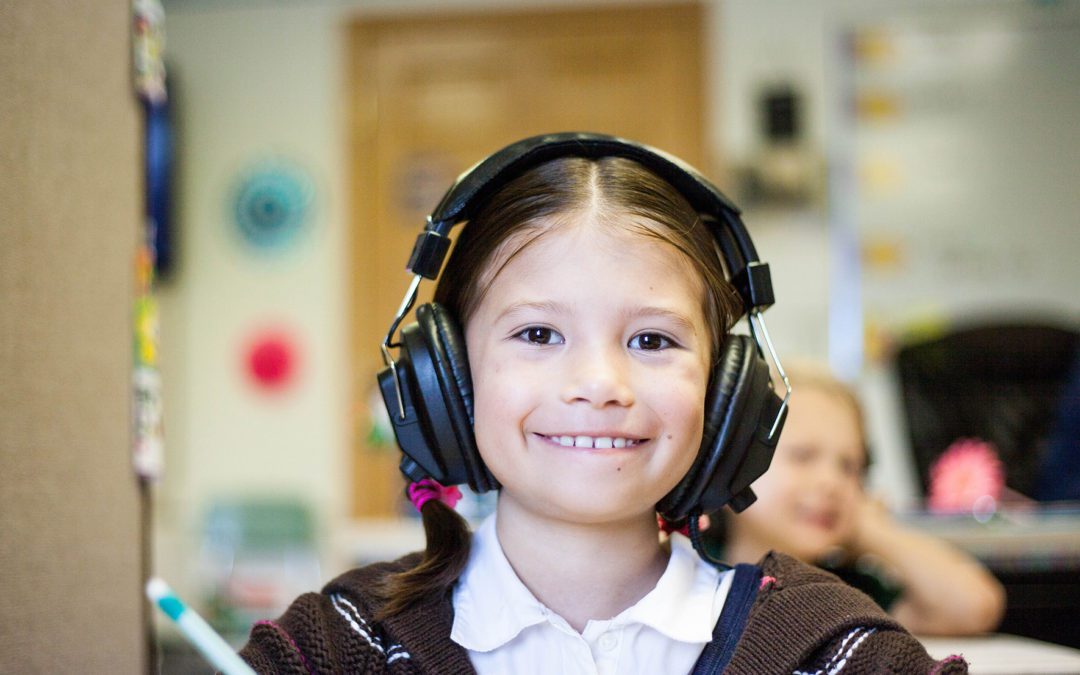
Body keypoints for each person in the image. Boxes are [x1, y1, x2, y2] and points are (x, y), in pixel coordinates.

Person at [239, 134, 966, 673]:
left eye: (652, 340)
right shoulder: (339, 645)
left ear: (727, 389)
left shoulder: (832, 648)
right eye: (538, 332)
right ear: (447, 375)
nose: (599, 382)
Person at [714, 363, 1005, 636]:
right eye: (803, 456)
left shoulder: (850, 593)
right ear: (729, 465)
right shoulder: (685, 573)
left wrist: (870, 529)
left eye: (849, 467)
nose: (832, 482)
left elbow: (974, 607)